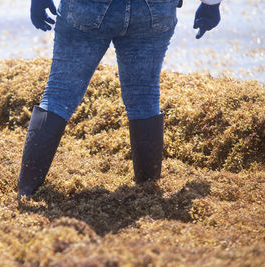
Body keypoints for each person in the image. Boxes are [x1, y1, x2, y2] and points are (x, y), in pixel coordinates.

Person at [17, 0, 222, 198]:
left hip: (87, 7)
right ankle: (147, 193)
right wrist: (210, 5)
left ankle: (26, 192)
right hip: (154, 9)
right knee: (145, 96)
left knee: (59, 94)